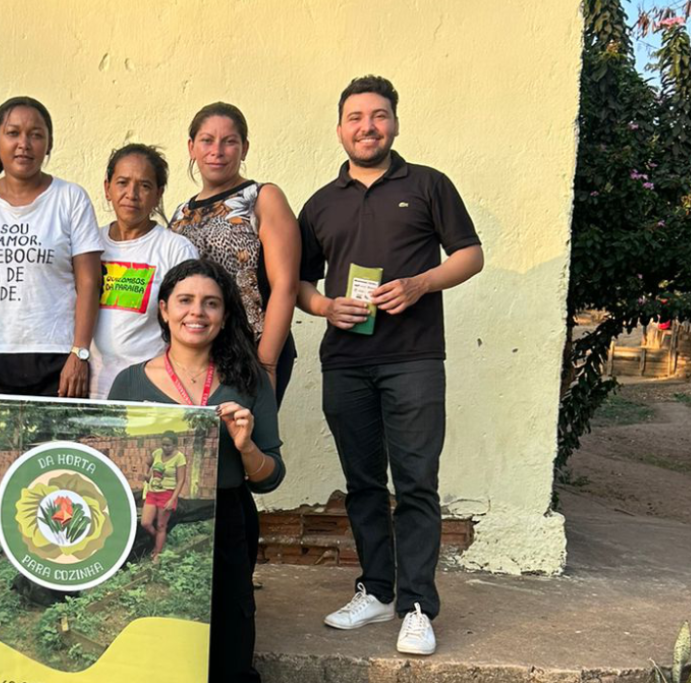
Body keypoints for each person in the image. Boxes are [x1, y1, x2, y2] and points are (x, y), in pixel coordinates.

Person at [296, 75, 484, 656]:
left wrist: (421, 283)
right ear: (340, 129)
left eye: (378, 115)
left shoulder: (428, 184)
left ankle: (418, 606)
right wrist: (326, 307)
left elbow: (471, 255)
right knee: (363, 485)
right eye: (356, 117)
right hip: (345, 362)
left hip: (414, 360)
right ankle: (377, 591)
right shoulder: (320, 203)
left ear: (395, 124)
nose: (367, 127)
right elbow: (299, 283)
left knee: (417, 483)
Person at [109, 259, 284, 683]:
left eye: (211, 303)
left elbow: (270, 477)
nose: (197, 312)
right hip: (150, 514)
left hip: (227, 521)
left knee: (228, 643)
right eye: (185, 300)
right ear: (164, 309)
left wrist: (245, 447)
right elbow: (114, 470)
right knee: (153, 635)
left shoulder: (249, 381)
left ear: (224, 317)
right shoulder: (129, 384)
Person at [0, 96, 104, 397]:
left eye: (35, 135)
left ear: (49, 143)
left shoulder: (70, 198)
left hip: (56, 357)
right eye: (13, 133)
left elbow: (89, 282)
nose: (24, 144)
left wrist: (79, 352)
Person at [168, 102, 301, 407]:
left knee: (245, 435)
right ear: (191, 147)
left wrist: (266, 364)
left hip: (252, 349)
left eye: (229, 141)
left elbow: (286, 286)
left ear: (244, 148)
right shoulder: (180, 214)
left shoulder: (261, 198)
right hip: (197, 352)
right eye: (207, 140)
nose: (217, 151)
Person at [89, 143, 198, 399]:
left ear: (158, 194)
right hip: (90, 388)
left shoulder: (175, 250)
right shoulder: (90, 244)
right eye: (122, 183)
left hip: (148, 390)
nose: (132, 194)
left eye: (144, 186)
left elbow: (188, 325)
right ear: (107, 188)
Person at [141, 431, 188, 562]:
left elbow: (181, 480)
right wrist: (145, 474)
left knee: (161, 525)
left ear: (175, 445)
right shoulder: (157, 453)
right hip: (152, 492)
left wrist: (172, 499)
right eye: (163, 445)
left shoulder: (179, 457)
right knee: (145, 523)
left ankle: (157, 552)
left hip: (167, 494)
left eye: (168, 445)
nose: (165, 447)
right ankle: (159, 538)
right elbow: (147, 463)